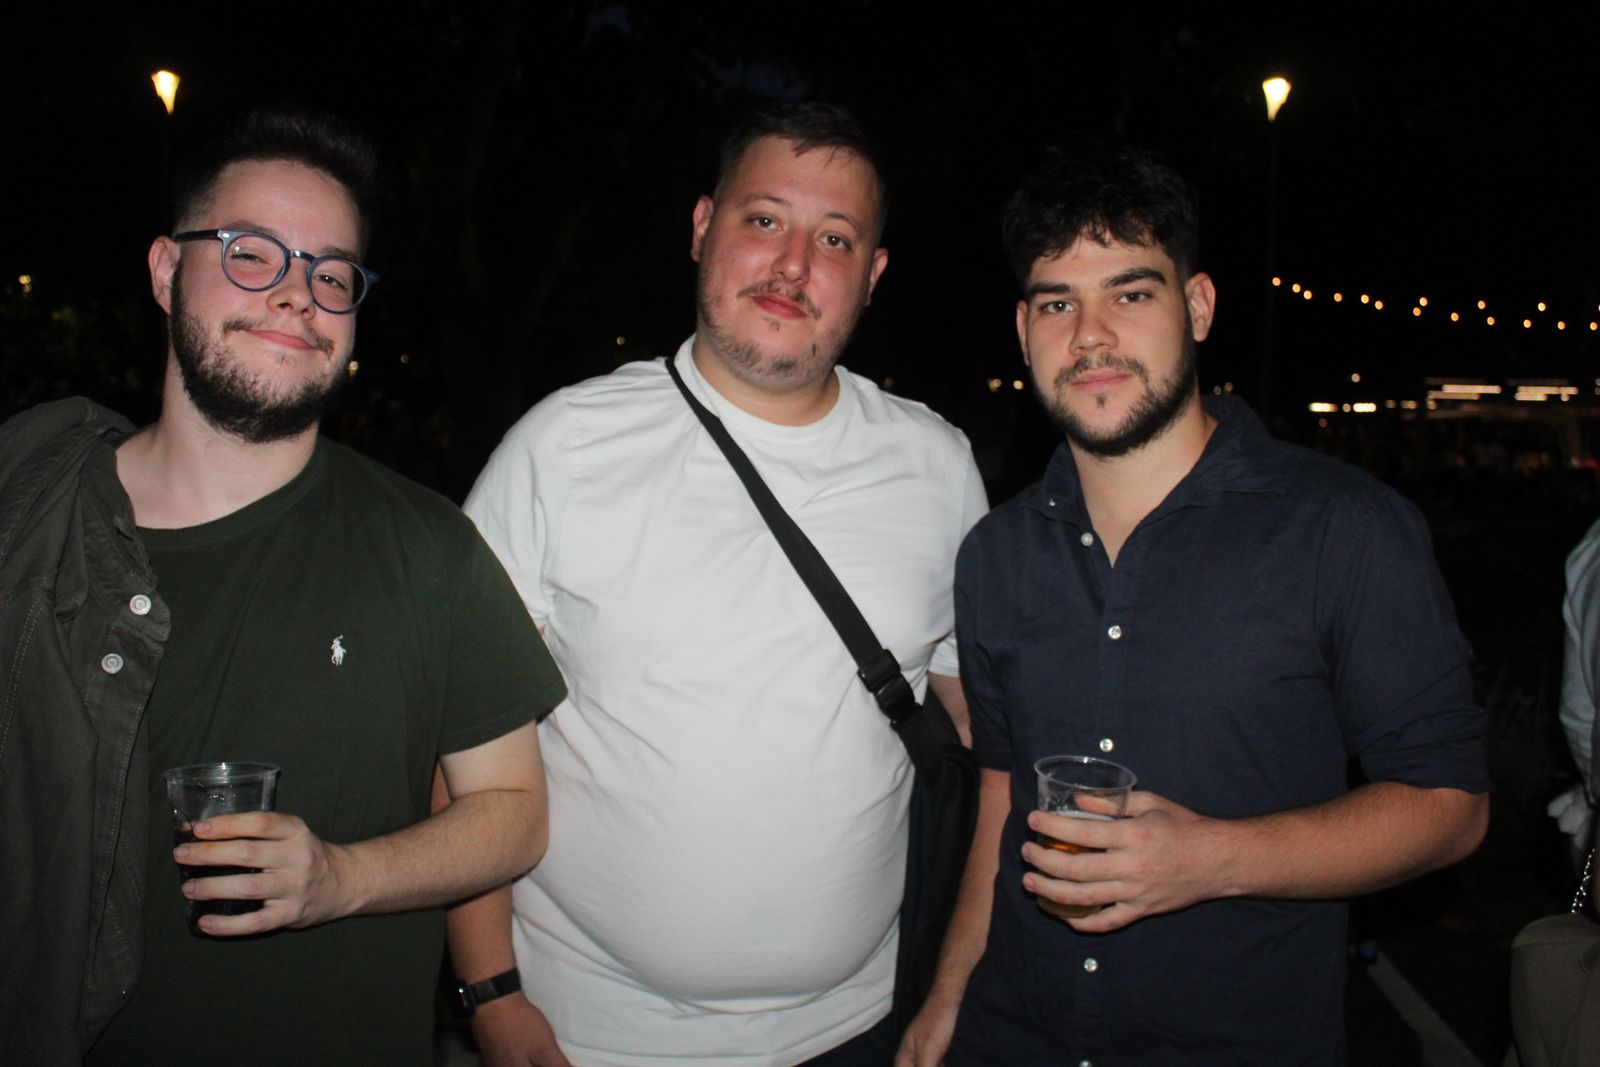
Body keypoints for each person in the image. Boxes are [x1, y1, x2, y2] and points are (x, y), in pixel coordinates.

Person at [897, 146, 1490, 1066]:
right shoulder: (994, 555)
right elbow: (1003, 793)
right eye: (1059, 302)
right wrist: (948, 992)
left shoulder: (1344, 528)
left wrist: (1207, 858)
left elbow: (1450, 803)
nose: (1090, 335)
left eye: (1131, 294)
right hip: (1013, 1035)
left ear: (1199, 306)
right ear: (1024, 329)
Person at [0, 109, 565, 1066]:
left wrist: (341, 877)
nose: (297, 294)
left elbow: (515, 813)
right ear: (165, 270)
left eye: (331, 273)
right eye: (252, 252)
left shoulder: (430, 550)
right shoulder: (28, 512)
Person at [452, 101, 988, 1066]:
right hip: (588, 1033)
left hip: (857, 1026)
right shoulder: (560, 447)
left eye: (835, 238)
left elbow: (990, 744)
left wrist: (953, 984)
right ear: (703, 228)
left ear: (871, 277)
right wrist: (491, 994)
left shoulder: (938, 467)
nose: (792, 265)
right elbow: (464, 735)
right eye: (764, 219)